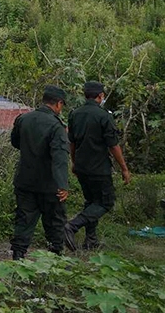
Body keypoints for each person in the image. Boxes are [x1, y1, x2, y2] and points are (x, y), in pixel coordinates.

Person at [64, 81, 131, 251]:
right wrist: (124, 168)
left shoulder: (74, 114)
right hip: (99, 168)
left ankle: (90, 240)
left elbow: (72, 142)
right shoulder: (104, 116)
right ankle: (72, 226)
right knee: (105, 202)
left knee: (91, 201)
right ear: (100, 96)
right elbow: (113, 145)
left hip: (82, 166)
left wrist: (74, 162)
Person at [10, 86, 70, 260]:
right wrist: (62, 185)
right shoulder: (57, 126)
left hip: (25, 180)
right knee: (54, 221)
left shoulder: (23, 119)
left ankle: (18, 255)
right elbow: (60, 158)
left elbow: (15, 143)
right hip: (49, 184)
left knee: (24, 219)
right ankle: (56, 257)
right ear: (59, 104)